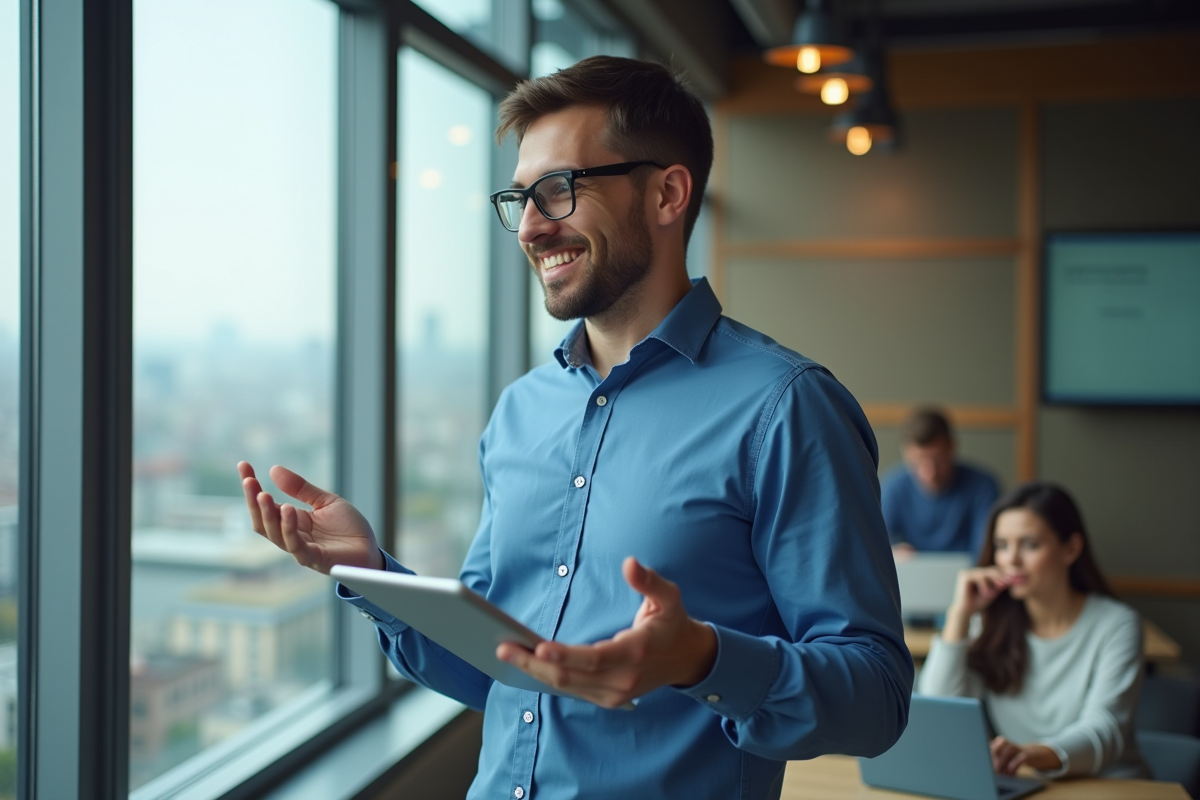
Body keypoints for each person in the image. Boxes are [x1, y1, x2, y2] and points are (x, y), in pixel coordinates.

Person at [238, 56, 912, 800]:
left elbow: (877, 698)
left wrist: (703, 659)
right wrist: (375, 576)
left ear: (667, 193)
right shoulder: (522, 412)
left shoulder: (785, 408)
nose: (529, 227)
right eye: (520, 198)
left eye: (558, 191)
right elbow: (493, 667)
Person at [916, 481, 1148, 779]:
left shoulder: (1117, 625)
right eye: (1001, 545)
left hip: (1111, 786)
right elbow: (940, 707)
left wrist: (1031, 755)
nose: (1011, 560)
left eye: (1029, 545)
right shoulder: (990, 622)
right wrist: (959, 613)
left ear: (1071, 548)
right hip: (1028, 784)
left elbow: (1105, 729)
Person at [881, 407, 999, 558]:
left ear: (952, 447)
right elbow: (878, 546)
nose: (929, 473)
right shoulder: (892, 487)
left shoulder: (983, 487)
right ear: (905, 453)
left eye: (937, 461)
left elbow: (985, 551)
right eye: (917, 463)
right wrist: (892, 553)